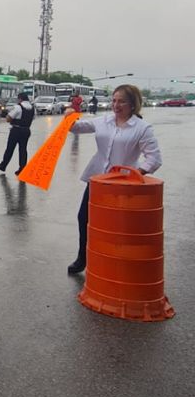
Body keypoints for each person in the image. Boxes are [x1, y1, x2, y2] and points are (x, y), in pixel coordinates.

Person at [64, 84, 161, 274]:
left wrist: (137, 173)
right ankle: (83, 257)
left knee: (117, 226)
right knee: (84, 218)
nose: (116, 105)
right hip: (97, 180)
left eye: (122, 101)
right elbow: (76, 128)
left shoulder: (142, 128)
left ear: (133, 104)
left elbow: (154, 158)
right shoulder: (104, 121)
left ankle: (116, 261)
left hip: (123, 186)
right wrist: (70, 115)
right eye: (114, 100)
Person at [0, 92, 35, 176]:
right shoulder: (32, 108)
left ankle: (3, 165)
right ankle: (22, 168)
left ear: (20, 99)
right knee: (23, 150)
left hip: (16, 130)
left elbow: (8, 119)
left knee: (10, 148)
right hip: (26, 130)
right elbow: (33, 118)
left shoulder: (18, 107)